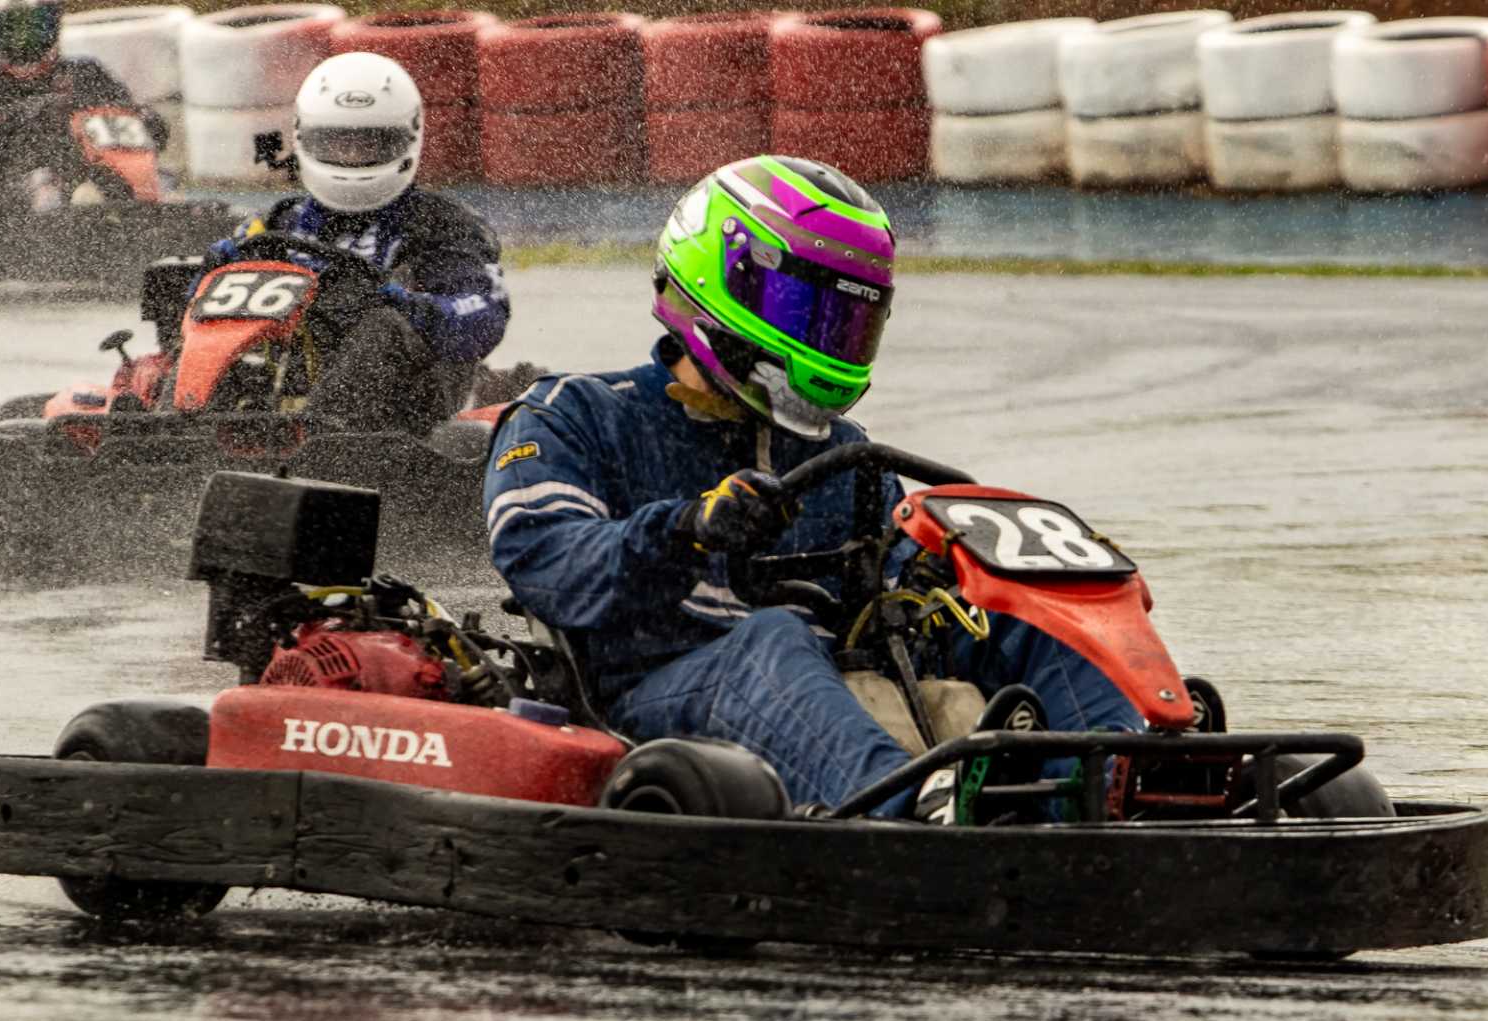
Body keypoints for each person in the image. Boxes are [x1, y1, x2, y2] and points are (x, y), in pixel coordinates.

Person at [486, 155, 1142, 821]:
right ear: (723, 279)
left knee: (1012, 612)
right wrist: (686, 529)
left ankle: (1113, 769)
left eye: (848, 322)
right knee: (773, 638)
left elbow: (896, 592)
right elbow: (548, 561)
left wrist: (975, 575)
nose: (829, 340)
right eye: (808, 311)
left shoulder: (841, 452)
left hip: (828, 691)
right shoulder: (576, 414)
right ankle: (913, 810)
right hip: (653, 692)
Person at [203, 51, 508, 432]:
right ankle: (180, 428)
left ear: (407, 139)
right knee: (212, 315)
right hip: (287, 381)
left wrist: (410, 307)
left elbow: (484, 316)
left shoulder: (441, 225)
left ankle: (321, 439)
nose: (350, 157)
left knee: (384, 325)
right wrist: (211, 273)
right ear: (303, 138)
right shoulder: (278, 222)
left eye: (369, 145)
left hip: (405, 403)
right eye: (336, 143)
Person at [0, 0, 142, 213]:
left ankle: (137, 214)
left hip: (89, 185)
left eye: (33, 24)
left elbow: (136, 131)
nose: (22, 37)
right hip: (5, 204)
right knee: (40, 184)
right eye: (12, 26)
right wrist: (22, 120)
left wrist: (146, 120)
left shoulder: (85, 74)